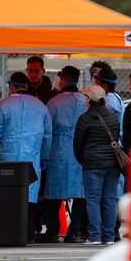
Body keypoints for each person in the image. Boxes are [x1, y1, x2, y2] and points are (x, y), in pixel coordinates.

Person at [0, 72, 52, 243]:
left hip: (9, 158)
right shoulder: (41, 106)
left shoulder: (3, 105)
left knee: (9, 196)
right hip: (33, 159)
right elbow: (47, 136)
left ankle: (10, 232)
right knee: (30, 197)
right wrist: (44, 158)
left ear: (11, 86)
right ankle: (29, 233)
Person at [42, 65, 87, 243]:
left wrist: (44, 154)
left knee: (53, 191)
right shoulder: (85, 100)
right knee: (79, 192)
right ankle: (74, 230)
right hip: (79, 148)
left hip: (58, 148)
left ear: (64, 80)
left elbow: (47, 129)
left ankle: (52, 230)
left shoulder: (54, 102)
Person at [73, 85, 121, 246]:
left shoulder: (84, 119)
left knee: (93, 199)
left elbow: (77, 144)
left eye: (86, 97)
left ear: (90, 100)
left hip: (93, 164)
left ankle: (94, 235)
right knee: (109, 199)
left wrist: (83, 159)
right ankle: (109, 236)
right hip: (113, 164)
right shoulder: (112, 117)